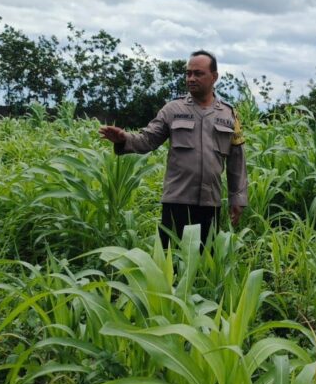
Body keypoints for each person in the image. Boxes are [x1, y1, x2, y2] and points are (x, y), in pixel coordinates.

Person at [99, 50, 247, 248]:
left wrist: (237, 199)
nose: (191, 78)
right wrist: (123, 138)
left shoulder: (229, 115)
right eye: (188, 73)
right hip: (177, 201)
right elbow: (147, 140)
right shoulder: (172, 110)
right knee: (171, 260)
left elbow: (237, 161)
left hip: (210, 204)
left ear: (214, 77)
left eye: (198, 73)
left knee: (205, 262)